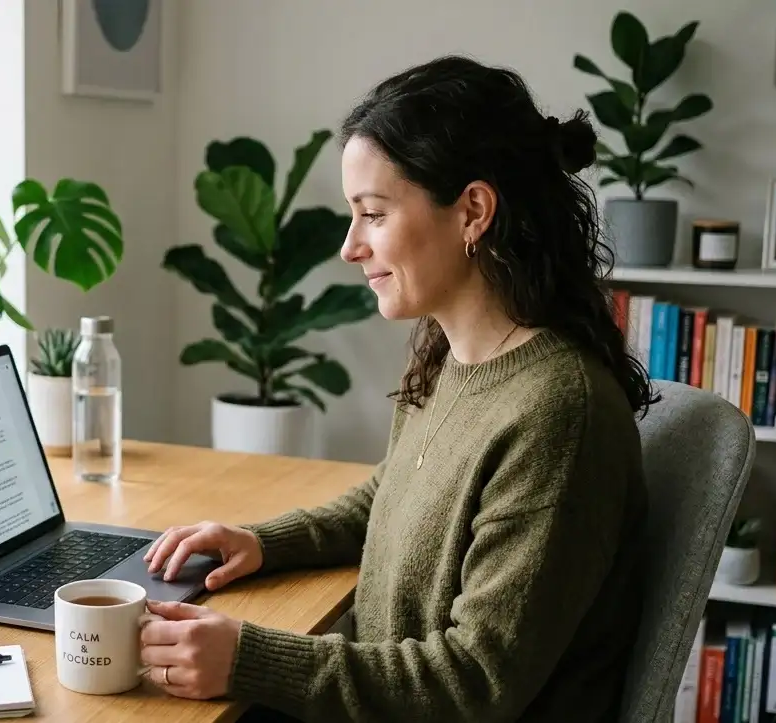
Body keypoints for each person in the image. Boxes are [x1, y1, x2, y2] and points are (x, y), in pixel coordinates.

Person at [138, 54, 653, 723]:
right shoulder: (456, 354)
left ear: (472, 210)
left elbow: (475, 680)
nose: (350, 245)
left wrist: (248, 657)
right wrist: (263, 541)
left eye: (372, 213)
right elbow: (394, 493)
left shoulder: (556, 410)